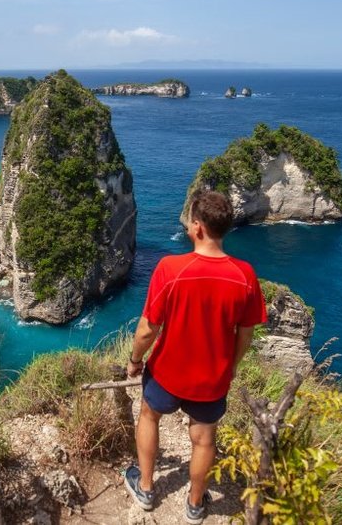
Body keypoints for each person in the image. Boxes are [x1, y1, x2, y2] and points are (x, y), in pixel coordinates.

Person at [124, 190, 267, 523]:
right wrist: (230, 367)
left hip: (166, 373)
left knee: (149, 415)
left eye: (190, 219)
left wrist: (134, 360)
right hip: (213, 378)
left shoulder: (170, 268)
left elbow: (148, 329)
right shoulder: (245, 275)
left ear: (198, 227)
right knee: (204, 439)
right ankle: (195, 503)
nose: (188, 224)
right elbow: (246, 333)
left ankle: (145, 488)